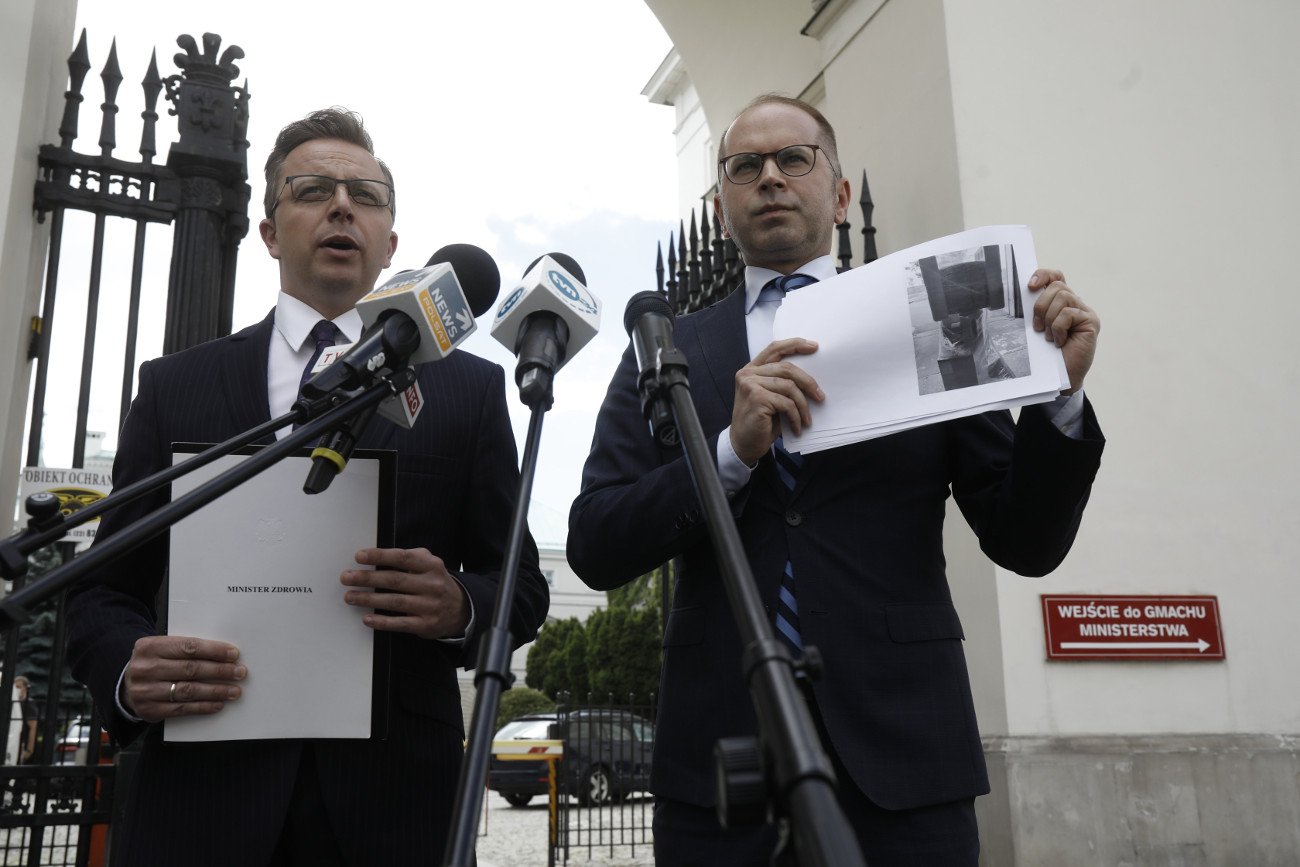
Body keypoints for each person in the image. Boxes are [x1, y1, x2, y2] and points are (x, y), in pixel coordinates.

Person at [567, 94, 1104, 866]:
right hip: (721, 767)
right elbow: (595, 540)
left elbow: (1025, 540)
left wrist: (1062, 397)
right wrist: (729, 454)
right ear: (722, 208)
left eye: (794, 159)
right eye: (745, 167)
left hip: (905, 758)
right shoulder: (668, 349)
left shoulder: (931, 317)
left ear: (842, 194)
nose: (771, 178)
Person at [66, 107, 549, 866]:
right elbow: (100, 588)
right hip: (200, 801)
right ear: (269, 230)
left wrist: (459, 603)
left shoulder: (469, 392)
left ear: (391, 241)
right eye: (313, 188)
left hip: (390, 808)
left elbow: (520, 590)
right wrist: (129, 669)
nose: (342, 205)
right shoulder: (175, 388)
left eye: (367, 194)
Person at [13, 677, 37, 764]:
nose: (16, 689)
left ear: (25, 688)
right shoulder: (15, 703)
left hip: (22, 745)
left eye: (19, 687)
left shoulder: (29, 704)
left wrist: (29, 750)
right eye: (15, 687)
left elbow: (33, 727)